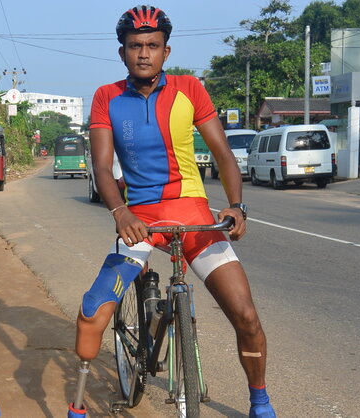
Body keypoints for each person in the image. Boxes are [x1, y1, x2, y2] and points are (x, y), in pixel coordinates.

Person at [67, 6, 275, 418]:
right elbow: (103, 169)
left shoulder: (190, 88)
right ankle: (78, 404)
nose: (144, 53)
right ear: (122, 52)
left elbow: (223, 154)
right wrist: (120, 212)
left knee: (246, 315)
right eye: (135, 46)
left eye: (152, 46)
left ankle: (260, 400)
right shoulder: (107, 97)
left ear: (166, 51)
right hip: (140, 221)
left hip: (193, 215)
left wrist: (235, 205)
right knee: (94, 311)